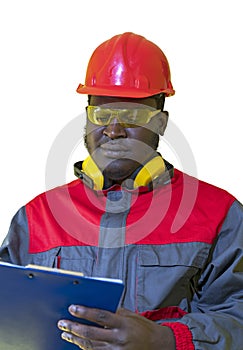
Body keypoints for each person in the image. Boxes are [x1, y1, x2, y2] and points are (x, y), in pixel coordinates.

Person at [1, 32, 243, 350]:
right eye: (102, 115)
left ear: (160, 123)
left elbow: (236, 317)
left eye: (133, 116)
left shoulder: (219, 214)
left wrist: (166, 339)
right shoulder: (35, 217)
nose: (113, 130)